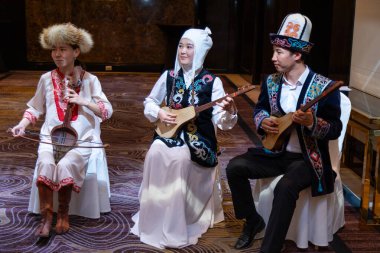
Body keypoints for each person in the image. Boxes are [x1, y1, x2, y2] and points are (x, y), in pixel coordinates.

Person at [226, 13, 342, 253]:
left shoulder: (325, 87)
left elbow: (335, 128)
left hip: (309, 160)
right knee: (235, 167)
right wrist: (264, 120)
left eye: (279, 52)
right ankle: (252, 220)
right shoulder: (272, 82)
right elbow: (260, 109)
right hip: (276, 153)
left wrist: (312, 122)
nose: (273, 58)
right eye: (274, 51)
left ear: (297, 55)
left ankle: (270, 248)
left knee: (285, 187)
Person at [131, 27, 237, 249]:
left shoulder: (212, 81)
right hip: (169, 132)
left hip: (199, 138)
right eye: (181, 46)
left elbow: (220, 120)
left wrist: (230, 110)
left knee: (179, 160)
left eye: (189, 47)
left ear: (200, 51)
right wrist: (159, 112)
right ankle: (153, 219)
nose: (183, 51)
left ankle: (176, 223)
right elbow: (150, 101)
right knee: (154, 153)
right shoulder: (168, 76)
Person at [10, 23, 113, 237]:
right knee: (46, 164)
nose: (57, 54)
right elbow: (35, 107)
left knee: (66, 165)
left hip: (80, 141)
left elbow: (106, 111)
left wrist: (83, 100)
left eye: (63, 49)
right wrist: (22, 124)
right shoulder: (46, 79)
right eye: (54, 49)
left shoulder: (91, 80)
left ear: (76, 51)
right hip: (51, 139)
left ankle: (63, 214)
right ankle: (47, 218)